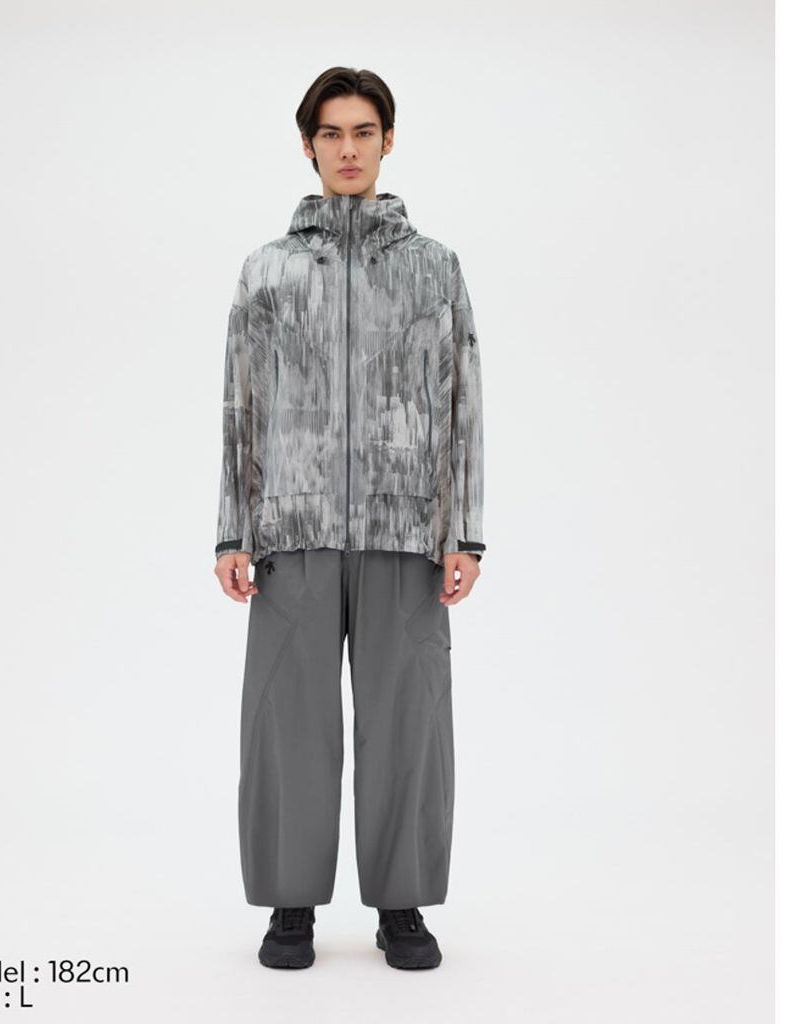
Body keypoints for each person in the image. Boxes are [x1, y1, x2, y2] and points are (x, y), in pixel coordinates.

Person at [213, 66, 486, 971]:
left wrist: (464, 530)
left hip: (406, 530)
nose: (348, 149)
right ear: (308, 145)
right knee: (287, 725)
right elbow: (240, 407)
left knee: (408, 722)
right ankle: (289, 904)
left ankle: (401, 905)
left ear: (388, 140)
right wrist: (233, 530)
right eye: (331, 133)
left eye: (364, 131)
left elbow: (463, 401)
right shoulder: (268, 269)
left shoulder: (434, 267)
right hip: (291, 529)